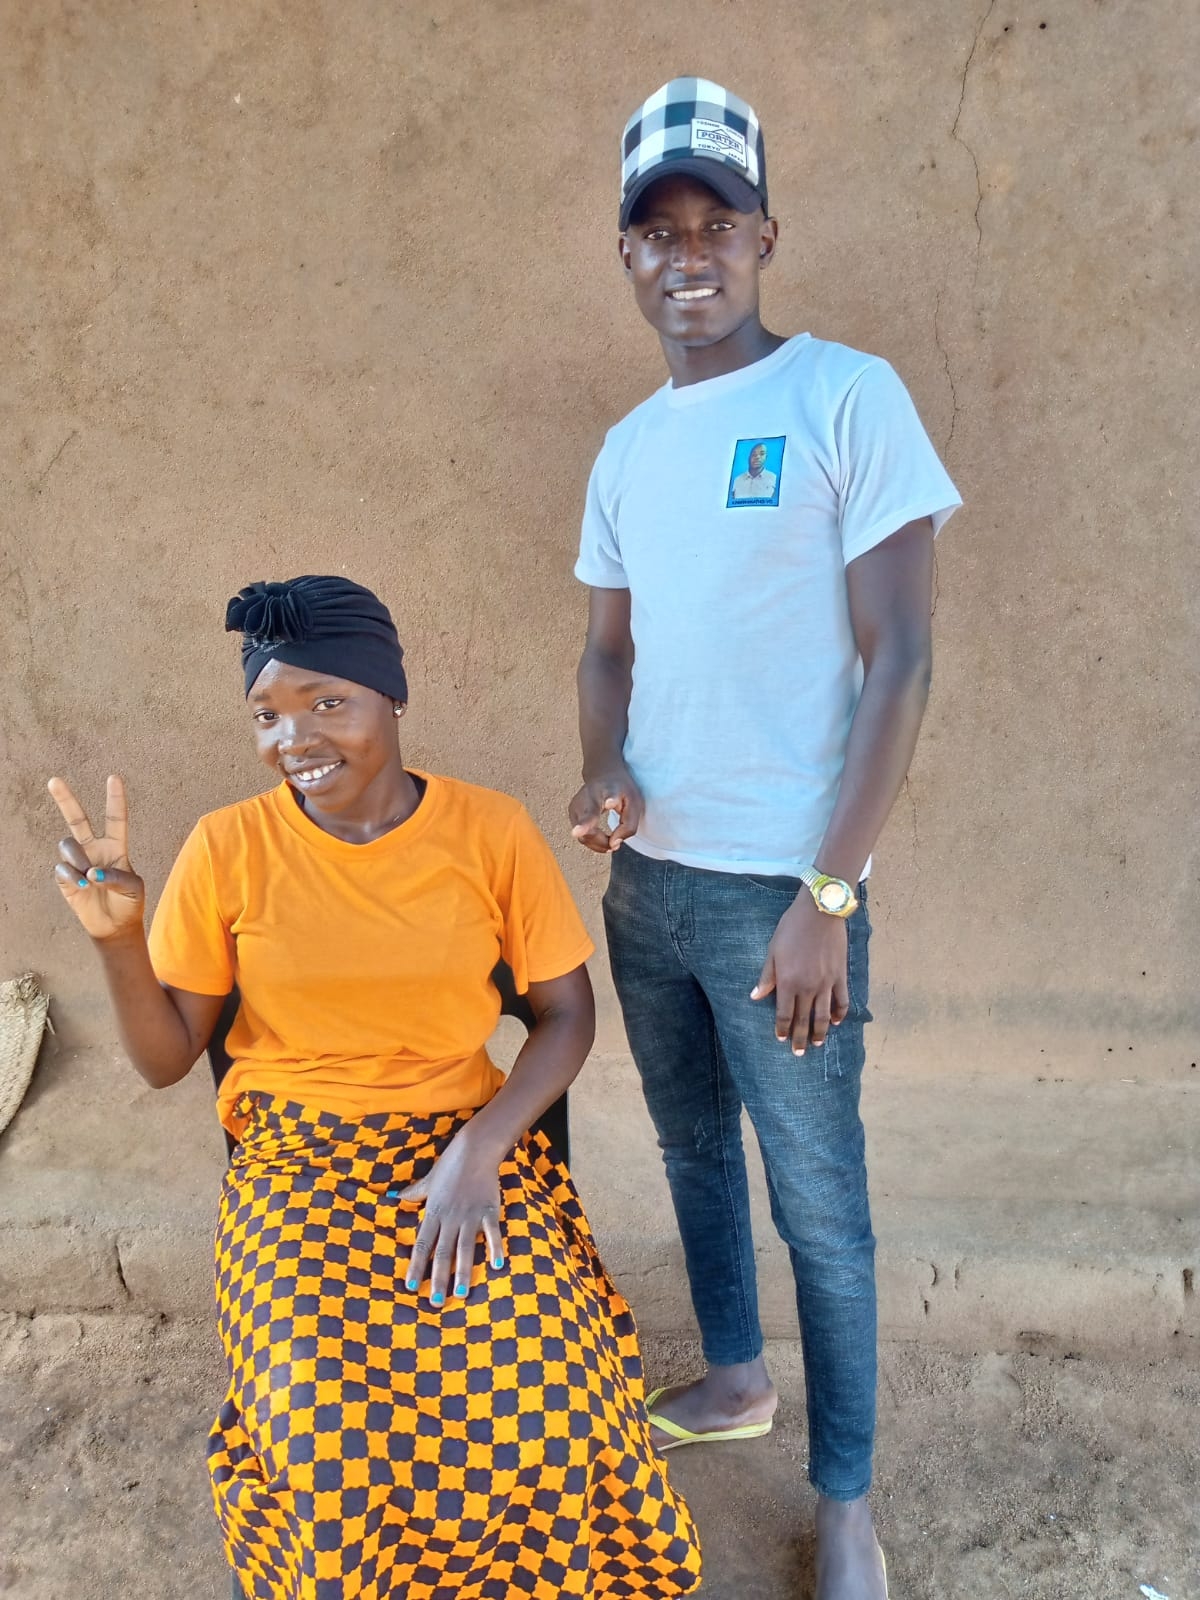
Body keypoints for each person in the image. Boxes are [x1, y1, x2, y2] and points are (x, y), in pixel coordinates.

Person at [48, 574, 701, 1600]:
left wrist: (480, 1151)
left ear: (392, 695)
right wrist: (119, 939)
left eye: (328, 702)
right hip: (293, 1159)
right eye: (267, 715)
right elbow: (168, 1058)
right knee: (324, 1423)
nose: (295, 738)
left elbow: (566, 1014)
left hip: (462, 1138)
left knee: (547, 1396)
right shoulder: (226, 846)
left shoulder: (489, 831)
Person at [569, 78, 961, 1600]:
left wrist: (830, 893)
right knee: (689, 1147)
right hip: (651, 886)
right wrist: (604, 769)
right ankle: (737, 1376)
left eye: (715, 224)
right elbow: (608, 650)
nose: (689, 255)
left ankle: (847, 1503)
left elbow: (901, 659)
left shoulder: (844, 398)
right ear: (626, 253)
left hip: (783, 898)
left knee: (822, 1208)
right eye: (657, 231)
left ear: (765, 237)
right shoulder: (625, 450)